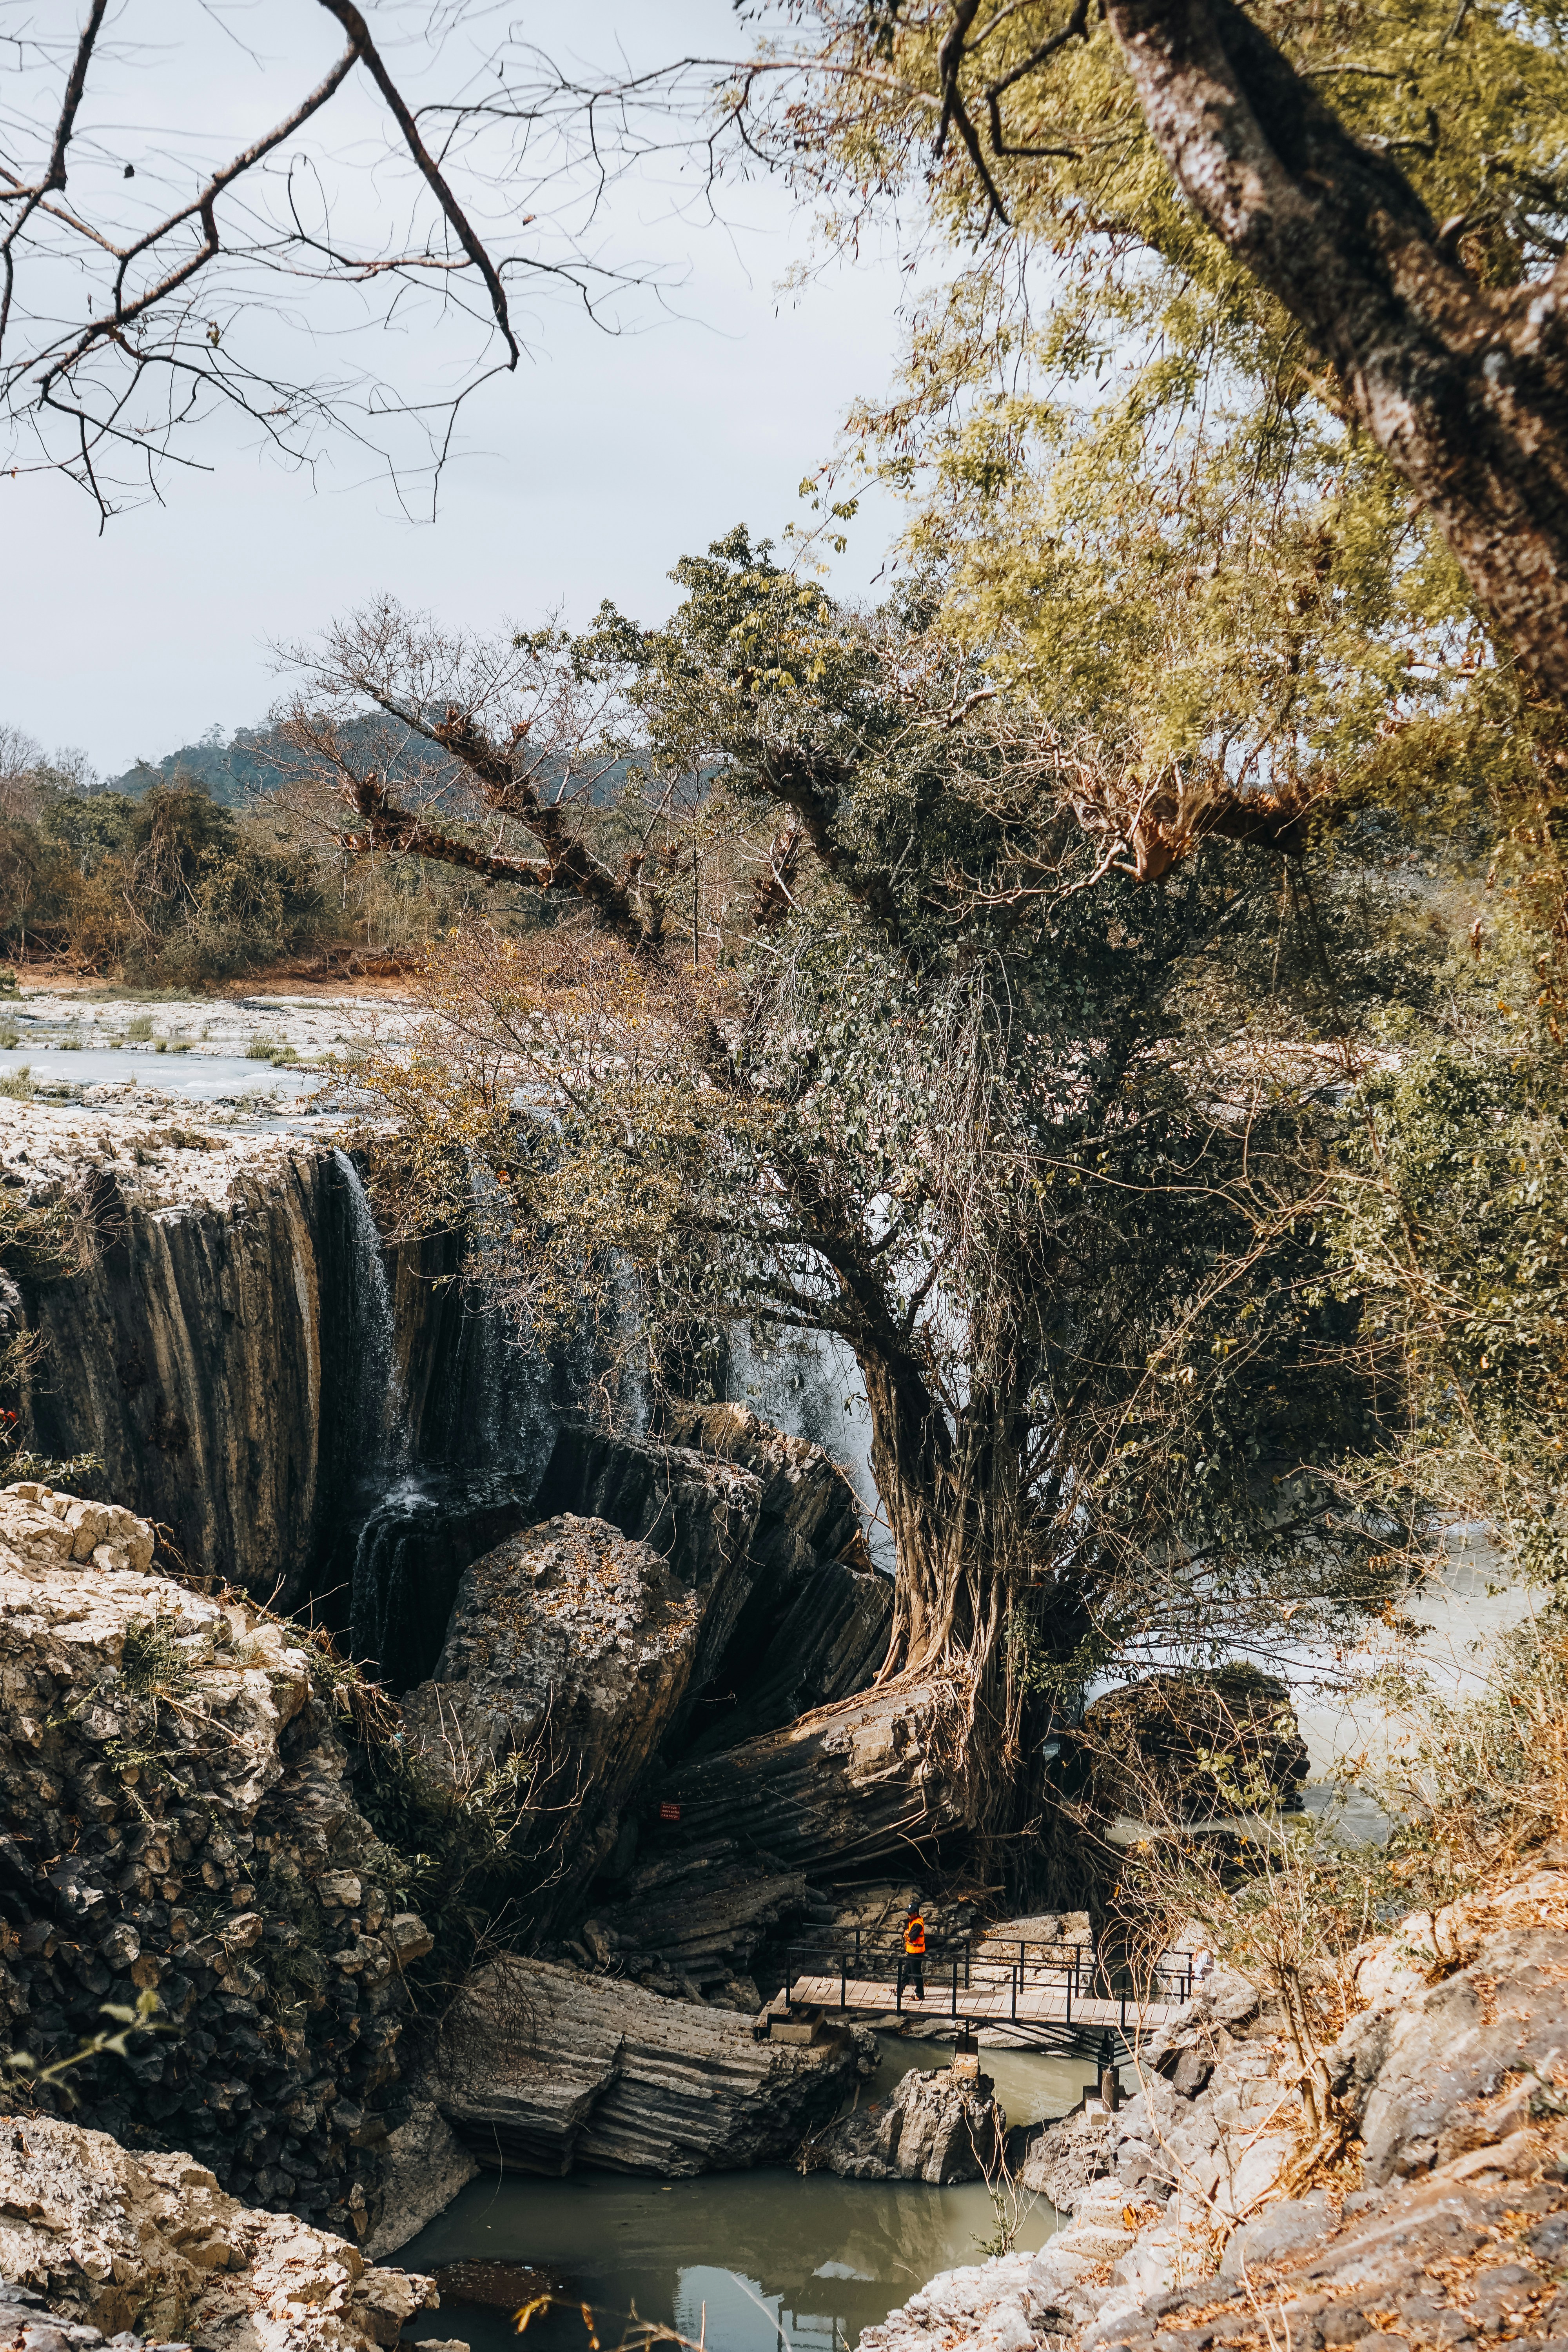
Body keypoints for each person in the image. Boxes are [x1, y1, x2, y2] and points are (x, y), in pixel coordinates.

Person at [897, 1903, 926, 2004]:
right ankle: (900, 1989)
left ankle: (920, 1995)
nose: (908, 1915)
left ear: (915, 1914)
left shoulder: (917, 1925)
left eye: (910, 1914)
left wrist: (906, 1935)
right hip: (912, 1952)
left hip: (916, 1953)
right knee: (906, 1971)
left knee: (916, 1974)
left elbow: (912, 1937)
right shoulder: (914, 1921)